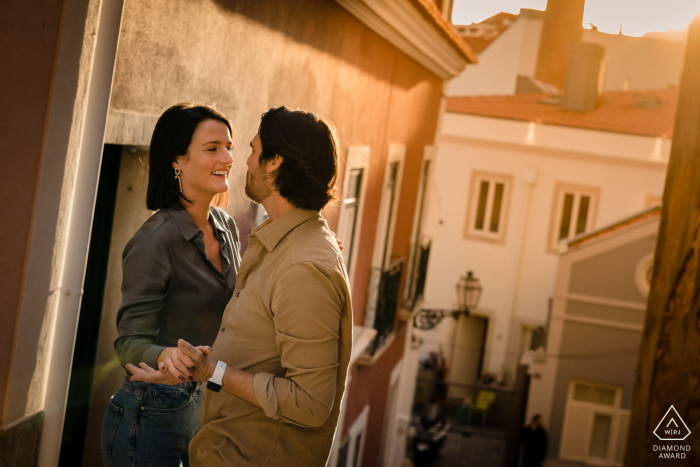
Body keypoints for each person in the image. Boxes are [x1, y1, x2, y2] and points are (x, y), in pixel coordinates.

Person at [128, 106, 353, 467]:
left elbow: (310, 404)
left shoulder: (303, 265)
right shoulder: (283, 244)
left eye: (250, 149)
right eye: (215, 148)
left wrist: (211, 371)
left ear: (275, 161)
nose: (240, 161)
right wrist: (180, 365)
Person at [100, 103, 241, 467]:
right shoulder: (154, 240)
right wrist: (166, 355)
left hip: (210, 406)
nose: (227, 157)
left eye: (229, 146)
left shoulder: (227, 227)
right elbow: (129, 342)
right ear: (177, 160)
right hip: (152, 414)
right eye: (212, 149)